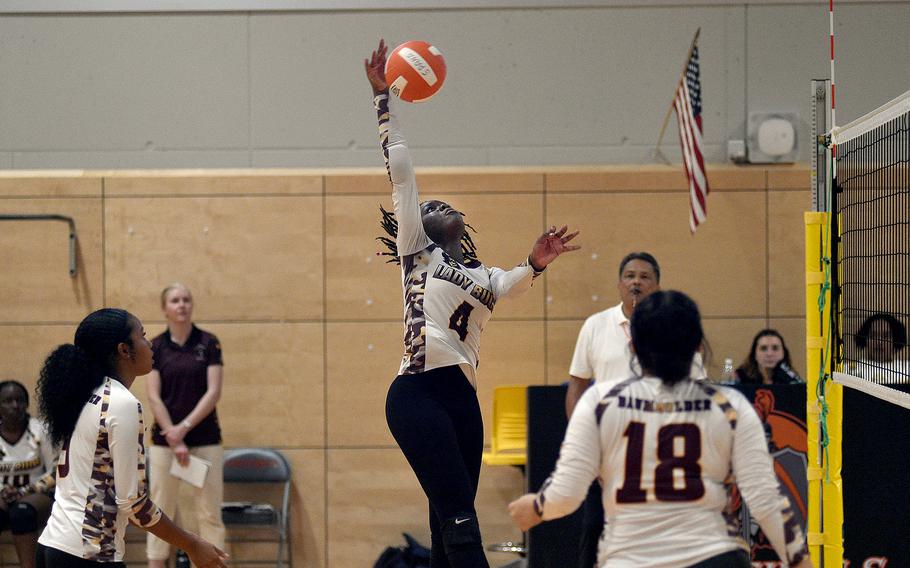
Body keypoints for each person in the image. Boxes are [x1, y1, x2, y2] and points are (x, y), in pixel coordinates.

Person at [365, 39, 580, 568]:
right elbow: (403, 176)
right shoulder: (417, 253)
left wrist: (536, 262)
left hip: (462, 397)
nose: (437, 204)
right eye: (429, 206)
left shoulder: (481, 275)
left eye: (443, 203)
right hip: (417, 393)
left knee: (446, 519)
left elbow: (511, 283)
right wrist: (382, 104)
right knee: (461, 513)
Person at [509, 291, 812, 568]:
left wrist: (535, 507)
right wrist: (801, 561)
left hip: (628, 559)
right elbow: (765, 499)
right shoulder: (729, 405)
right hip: (714, 556)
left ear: (633, 345)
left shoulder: (601, 401)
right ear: (697, 346)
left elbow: (566, 495)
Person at [35, 308, 229, 568]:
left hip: (54, 544)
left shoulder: (85, 394)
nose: (150, 345)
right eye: (143, 336)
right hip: (88, 553)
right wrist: (191, 544)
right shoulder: (121, 403)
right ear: (124, 350)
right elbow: (133, 503)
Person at [565, 252, 706, 568]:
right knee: (595, 529)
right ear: (619, 284)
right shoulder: (596, 325)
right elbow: (577, 385)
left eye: (644, 277)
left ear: (657, 286)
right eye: (629, 276)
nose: (636, 282)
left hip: (662, 453)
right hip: (606, 449)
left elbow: (695, 394)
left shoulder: (678, 330)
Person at [145, 283, 226, 568]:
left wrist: (185, 428)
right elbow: (153, 395)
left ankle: (211, 563)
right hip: (165, 446)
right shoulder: (154, 346)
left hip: (205, 441)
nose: (182, 305)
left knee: (208, 513)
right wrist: (175, 439)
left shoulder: (209, 342)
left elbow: (213, 392)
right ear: (165, 308)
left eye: (186, 300)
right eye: (175, 300)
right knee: (159, 511)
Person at [0, 380, 57, 568]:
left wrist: (25, 490)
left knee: (21, 513)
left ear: (26, 404)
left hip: (37, 495)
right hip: (3, 495)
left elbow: (56, 470)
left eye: (19, 400)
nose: (14, 406)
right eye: (7, 401)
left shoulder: (41, 430)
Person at [852, 312, 908, 383]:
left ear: (895, 340)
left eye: (886, 336)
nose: (879, 342)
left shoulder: (906, 370)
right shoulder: (850, 371)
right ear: (865, 339)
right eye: (873, 336)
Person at [735, 329, 802, 385]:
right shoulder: (741, 378)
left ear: (783, 353)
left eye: (775, 348)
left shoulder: (791, 378)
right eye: (763, 348)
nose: (769, 354)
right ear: (754, 354)